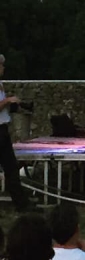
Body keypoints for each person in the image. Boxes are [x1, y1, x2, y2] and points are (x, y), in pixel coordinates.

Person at [0, 54, 34, 212]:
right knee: (10, 167)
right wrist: (8, 101)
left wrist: (13, 105)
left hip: (3, 129)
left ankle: (21, 204)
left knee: (11, 168)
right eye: (1, 65)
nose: (3, 68)